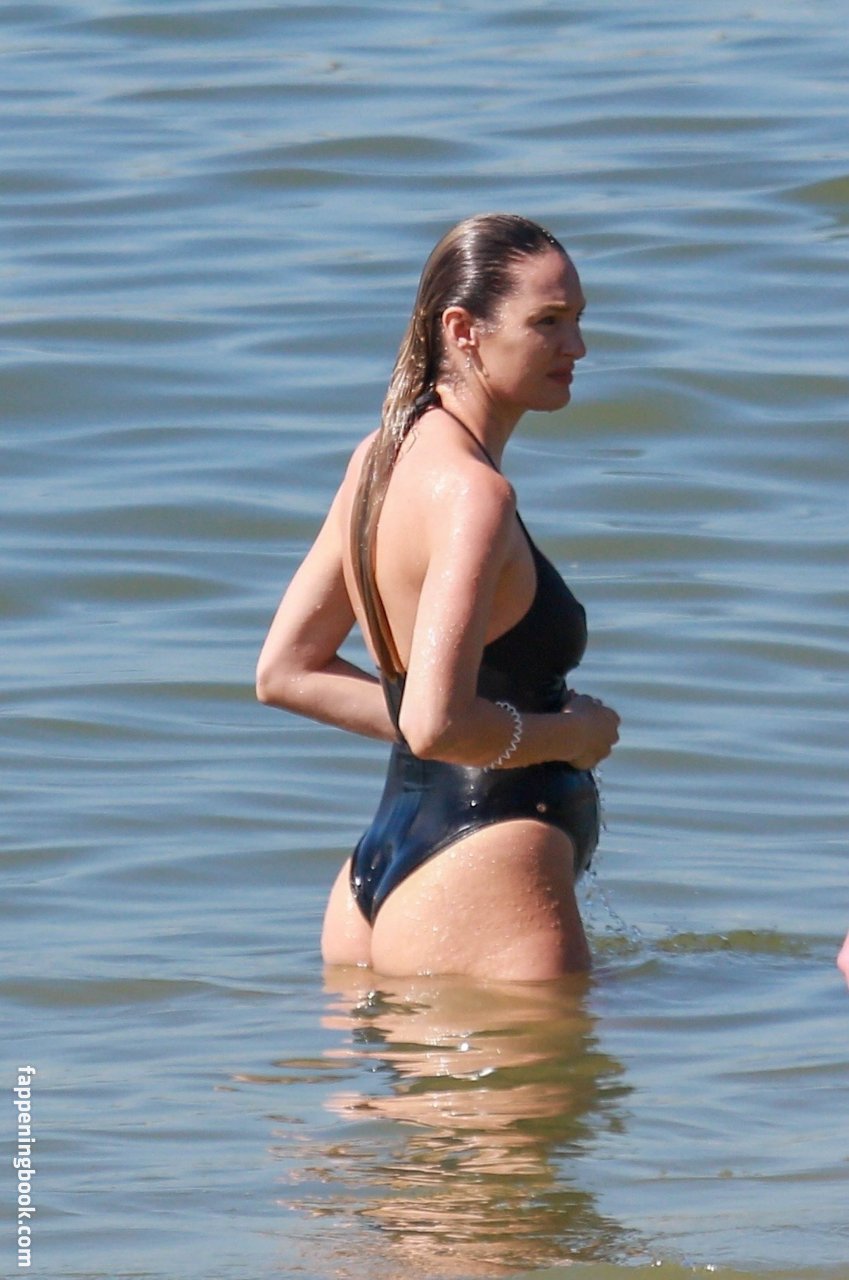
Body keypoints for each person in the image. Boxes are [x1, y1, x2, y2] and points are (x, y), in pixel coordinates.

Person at [256, 213, 620, 981]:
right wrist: (569, 734)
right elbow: (436, 723)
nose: (577, 347)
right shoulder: (473, 496)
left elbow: (287, 672)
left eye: (578, 320)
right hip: (485, 866)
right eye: (548, 322)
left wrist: (447, 725)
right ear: (462, 330)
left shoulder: (379, 459)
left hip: (378, 867)